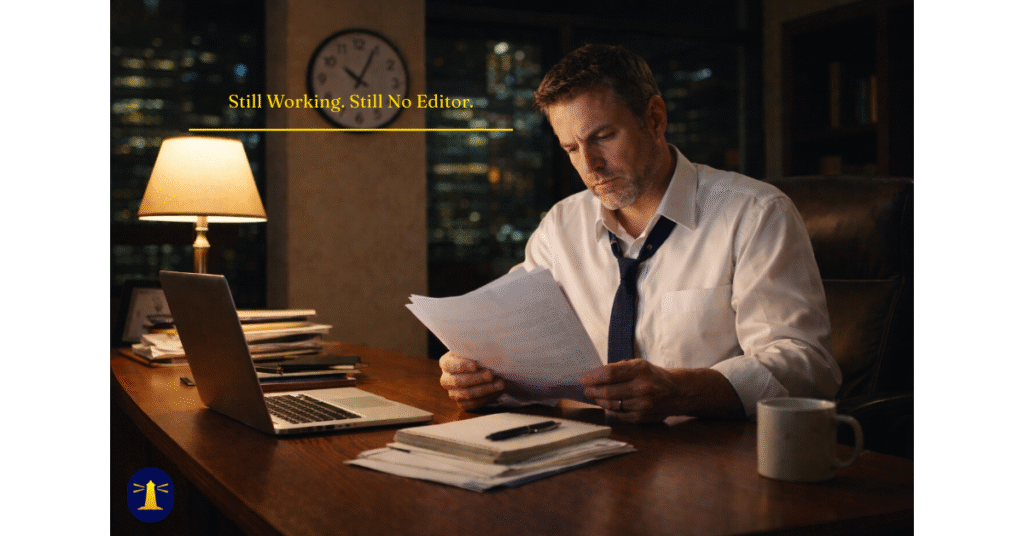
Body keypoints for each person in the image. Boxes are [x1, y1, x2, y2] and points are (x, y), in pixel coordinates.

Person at [439, 44, 841, 421]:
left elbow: (805, 366)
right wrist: (477, 372)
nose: (590, 166)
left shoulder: (755, 214)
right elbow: (509, 335)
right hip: (590, 454)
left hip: (713, 458)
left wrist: (683, 390)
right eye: (571, 148)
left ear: (655, 118)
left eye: (602, 137)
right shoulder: (560, 227)